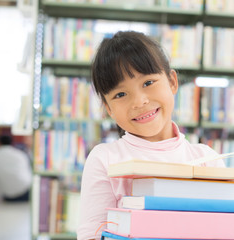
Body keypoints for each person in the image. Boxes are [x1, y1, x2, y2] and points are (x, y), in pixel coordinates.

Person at [77, 31, 225, 240]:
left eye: (148, 83)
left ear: (172, 81)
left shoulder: (207, 161)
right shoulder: (105, 159)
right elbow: (91, 235)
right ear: (108, 108)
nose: (139, 102)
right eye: (120, 94)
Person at [0, 135, 32, 202]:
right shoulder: (20, 154)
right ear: (11, 143)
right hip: (26, 193)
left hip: (8, 196)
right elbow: (28, 173)